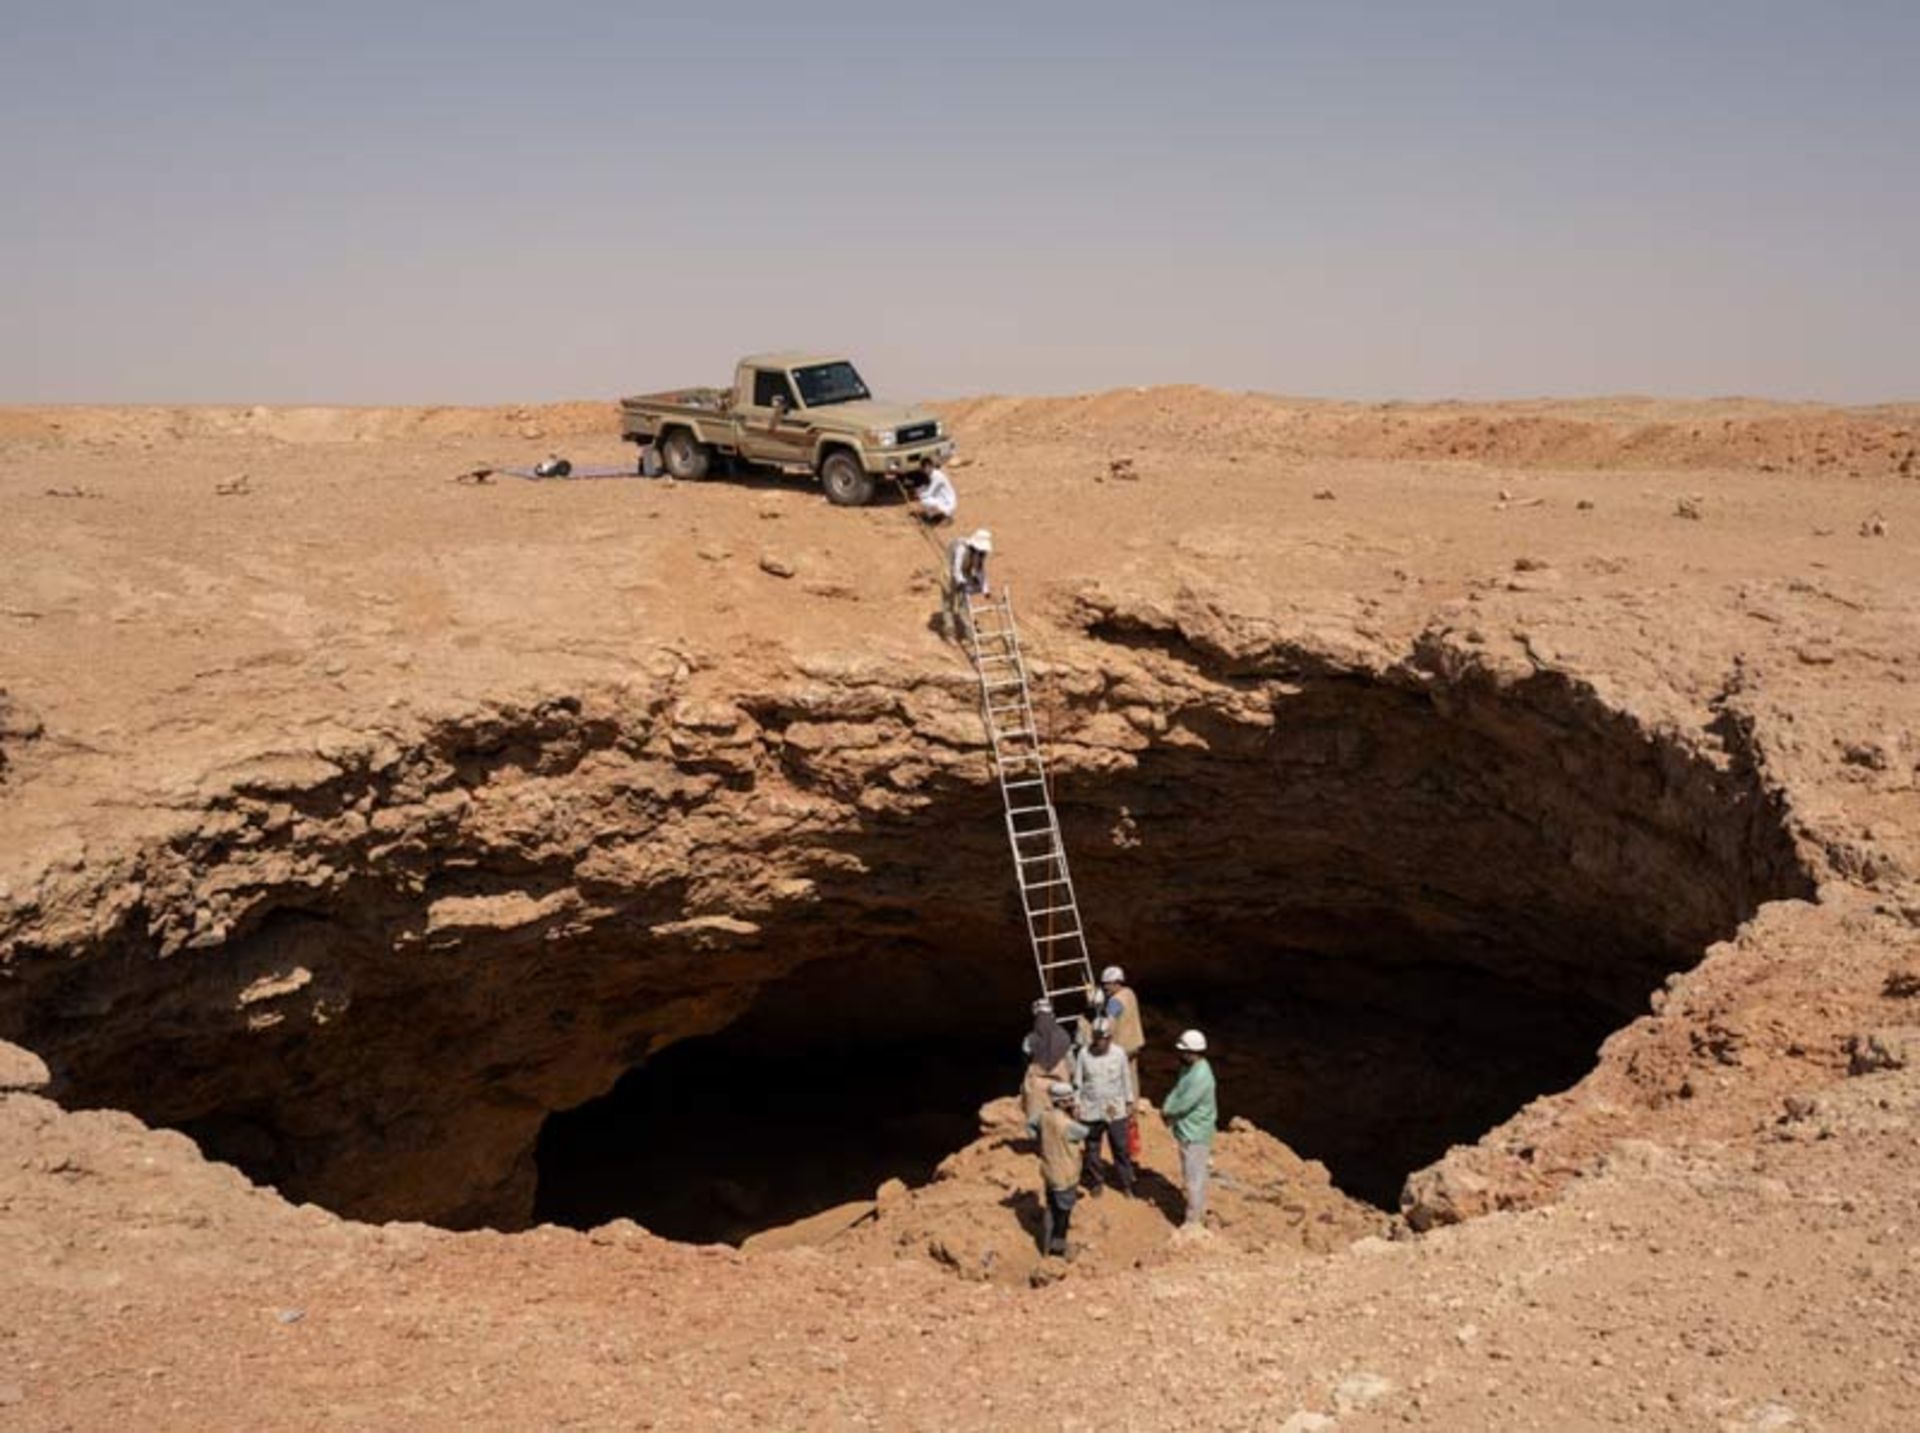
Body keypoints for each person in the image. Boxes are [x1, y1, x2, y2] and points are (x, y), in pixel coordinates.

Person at [1073, 1017, 1136, 1196]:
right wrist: (1077, 1104)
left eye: (1103, 1039)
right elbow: (1078, 1081)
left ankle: (1126, 1184)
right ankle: (1097, 1181)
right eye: (1096, 1038)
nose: (1099, 1042)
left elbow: (1126, 1078)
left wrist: (1129, 1101)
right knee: (1092, 1149)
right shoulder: (1084, 1054)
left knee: (1120, 1147)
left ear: (1109, 1039)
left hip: (1114, 1108)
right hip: (1091, 1108)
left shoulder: (1119, 1054)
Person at [1161, 1028, 1217, 1228]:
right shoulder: (1188, 1068)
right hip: (1186, 1132)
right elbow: (1178, 1090)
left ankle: (1193, 1222)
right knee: (1191, 1174)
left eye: (1183, 1051)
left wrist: (1168, 1112)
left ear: (1193, 1052)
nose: (1180, 1054)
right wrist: (1167, 1107)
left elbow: (1185, 1102)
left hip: (1196, 1134)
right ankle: (1196, 1211)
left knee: (1195, 1178)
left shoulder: (1201, 1076)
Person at [1029, 1079, 1088, 1257]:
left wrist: (1039, 1138)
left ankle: (1045, 1248)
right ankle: (1058, 1248)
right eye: (1069, 1100)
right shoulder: (1067, 1125)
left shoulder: (1043, 1117)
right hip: (1066, 1175)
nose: (1072, 1102)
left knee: (1050, 1209)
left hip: (1049, 1172)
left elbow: (1030, 1125)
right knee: (1063, 1214)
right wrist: (1076, 1116)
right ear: (1061, 1102)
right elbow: (1085, 1132)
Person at [1094, 965, 1146, 1106]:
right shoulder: (1129, 993)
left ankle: (1122, 1108)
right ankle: (1133, 1107)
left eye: (1107, 985)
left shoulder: (1114, 1002)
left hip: (1122, 1048)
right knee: (1132, 1078)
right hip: (1135, 1044)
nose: (1105, 988)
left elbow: (1108, 1026)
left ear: (1116, 982)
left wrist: (1097, 1009)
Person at [1020, 997, 1073, 1123]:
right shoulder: (1064, 1037)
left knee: (1038, 1123)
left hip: (1037, 1087)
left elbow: (1025, 1060)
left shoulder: (1029, 1039)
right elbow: (1071, 1064)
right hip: (1061, 1084)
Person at [942, 528, 993, 639]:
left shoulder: (980, 554)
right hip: (950, 572)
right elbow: (956, 567)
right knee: (948, 603)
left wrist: (985, 589)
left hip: (964, 572)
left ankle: (969, 632)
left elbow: (980, 571)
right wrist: (961, 582)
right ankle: (949, 632)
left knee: (964, 603)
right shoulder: (961, 548)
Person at [911, 457, 957, 526]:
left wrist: (918, 494)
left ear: (931, 466)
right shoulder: (932, 475)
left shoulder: (937, 476)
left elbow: (929, 492)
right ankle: (935, 516)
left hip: (948, 502)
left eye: (927, 467)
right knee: (925, 499)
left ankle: (945, 515)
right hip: (942, 499)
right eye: (924, 468)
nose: (926, 470)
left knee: (925, 500)